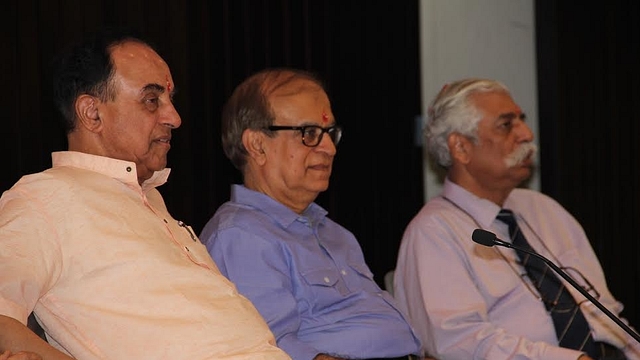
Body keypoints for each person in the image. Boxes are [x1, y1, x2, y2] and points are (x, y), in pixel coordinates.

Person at [0, 29, 290, 360]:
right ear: (92, 113)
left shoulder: (151, 198)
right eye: (152, 100)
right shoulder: (44, 197)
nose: (175, 118)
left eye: (170, 100)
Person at [393, 77, 640, 360]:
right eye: (506, 124)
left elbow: (606, 313)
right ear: (460, 147)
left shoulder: (544, 209)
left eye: (522, 120)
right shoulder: (433, 232)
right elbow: (460, 342)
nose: (526, 134)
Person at [199, 68, 424, 360]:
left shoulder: (335, 234)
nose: (329, 148)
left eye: (330, 134)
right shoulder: (241, 236)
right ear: (257, 145)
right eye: (309, 134)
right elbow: (270, 349)